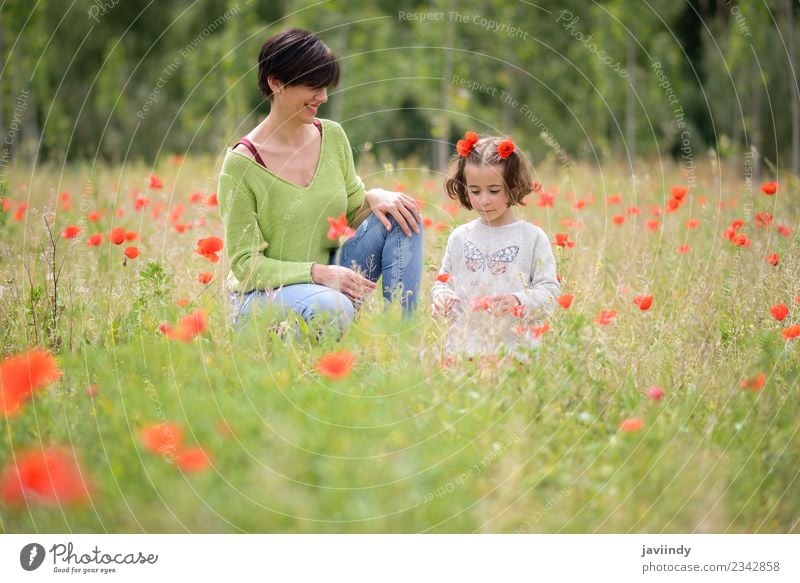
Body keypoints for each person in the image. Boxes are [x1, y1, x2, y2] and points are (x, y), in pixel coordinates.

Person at [218, 29, 423, 334]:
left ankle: (400, 338)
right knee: (332, 306)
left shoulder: (332, 136)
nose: (323, 97)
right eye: (313, 87)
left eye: (325, 87)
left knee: (402, 214)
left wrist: (375, 195)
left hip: (330, 280)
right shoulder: (241, 165)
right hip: (263, 296)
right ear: (276, 82)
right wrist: (316, 273)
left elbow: (353, 213)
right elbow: (246, 266)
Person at [431, 131, 560, 359]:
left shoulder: (532, 238)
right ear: (464, 188)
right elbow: (444, 283)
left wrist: (517, 300)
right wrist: (441, 298)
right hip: (464, 351)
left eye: (493, 190)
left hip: (515, 353)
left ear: (513, 186)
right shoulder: (460, 237)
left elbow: (549, 292)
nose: (484, 199)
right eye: (474, 191)